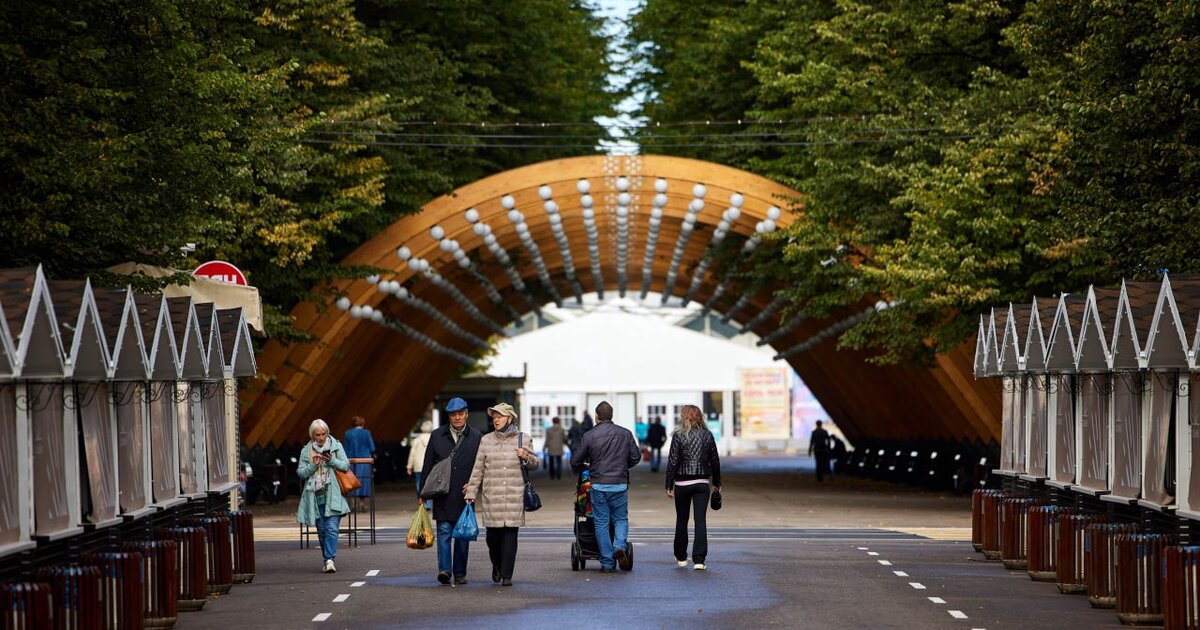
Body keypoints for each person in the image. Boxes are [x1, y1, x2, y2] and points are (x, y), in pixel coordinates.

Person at [464, 402, 540, 586]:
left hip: (514, 496)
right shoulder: (486, 440)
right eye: (494, 417)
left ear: (510, 418)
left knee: (510, 538)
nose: (496, 420)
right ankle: (497, 564)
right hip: (492, 497)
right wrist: (471, 491)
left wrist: (526, 456)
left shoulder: (524, 439)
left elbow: (535, 464)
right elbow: (478, 468)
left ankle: (507, 575)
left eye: (500, 416)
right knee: (493, 538)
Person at [570, 401, 640, 573]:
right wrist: (622, 468)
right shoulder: (625, 433)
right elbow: (636, 457)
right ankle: (619, 545)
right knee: (620, 519)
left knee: (601, 522)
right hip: (619, 484)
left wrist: (586, 468)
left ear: (597, 416)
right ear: (612, 415)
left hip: (598, 485)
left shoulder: (590, 435)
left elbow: (575, 461)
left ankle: (608, 563)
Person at [420, 398, 482, 586]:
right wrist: (422, 494)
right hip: (442, 492)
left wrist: (474, 485)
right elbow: (427, 465)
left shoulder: (476, 436)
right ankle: (445, 570)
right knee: (444, 531)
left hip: (465, 493)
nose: (457, 417)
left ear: (466, 414)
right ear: (449, 416)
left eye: (460, 413)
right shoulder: (437, 435)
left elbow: (481, 466)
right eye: (453, 414)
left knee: (463, 534)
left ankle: (460, 573)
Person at [665, 405, 721, 571]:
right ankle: (699, 560)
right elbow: (715, 461)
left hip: (682, 484)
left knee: (682, 520)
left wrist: (668, 484)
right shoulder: (707, 435)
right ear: (700, 417)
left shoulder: (678, 436)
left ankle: (681, 557)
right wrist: (717, 483)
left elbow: (673, 461)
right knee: (700, 521)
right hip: (702, 483)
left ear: (684, 417)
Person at [296, 419, 351, 573]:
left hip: (333, 494)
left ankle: (329, 559)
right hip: (315, 496)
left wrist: (332, 460)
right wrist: (313, 465)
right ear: (312, 436)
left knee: (332, 528)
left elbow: (345, 465)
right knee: (322, 531)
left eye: (324, 433)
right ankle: (327, 559)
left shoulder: (336, 446)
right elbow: (300, 472)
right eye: (317, 434)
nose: (321, 437)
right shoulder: (306, 451)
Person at [342, 415, 376, 512]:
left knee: (351, 481)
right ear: (363, 423)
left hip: (350, 460)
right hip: (365, 460)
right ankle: (362, 503)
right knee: (363, 481)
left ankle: (352, 503)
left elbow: (345, 447)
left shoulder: (347, 433)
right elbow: (372, 447)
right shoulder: (366, 433)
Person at [407, 420, 433, 508]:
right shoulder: (434, 439)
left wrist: (409, 466)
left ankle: (422, 502)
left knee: (419, 484)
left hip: (418, 466)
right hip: (430, 465)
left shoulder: (416, 440)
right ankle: (428, 504)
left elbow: (412, 454)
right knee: (429, 484)